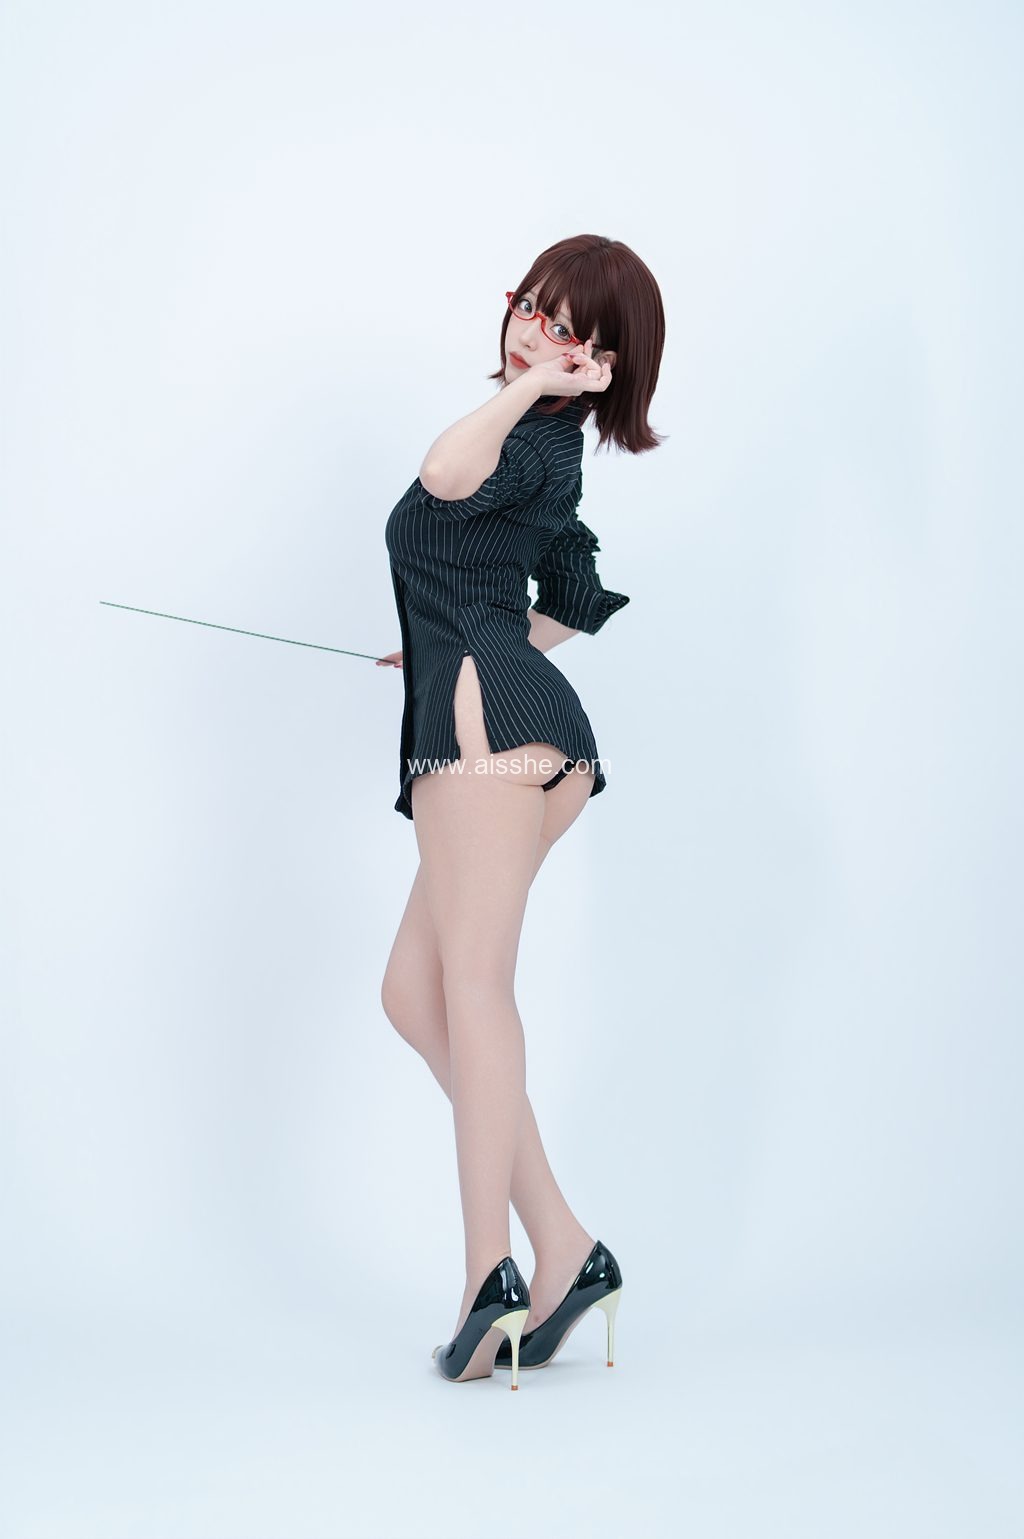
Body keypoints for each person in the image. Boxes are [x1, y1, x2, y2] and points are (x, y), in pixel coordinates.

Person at [377, 233, 666, 1387]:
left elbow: (445, 473)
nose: (531, 331)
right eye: (528, 307)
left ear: (597, 362)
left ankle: (484, 1277)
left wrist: (532, 387)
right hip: (514, 719)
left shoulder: (529, 437)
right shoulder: (550, 457)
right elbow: (574, 599)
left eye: (564, 328)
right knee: (413, 994)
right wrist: (460, 634)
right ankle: (565, 1247)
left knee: (473, 987)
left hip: (487, 738)